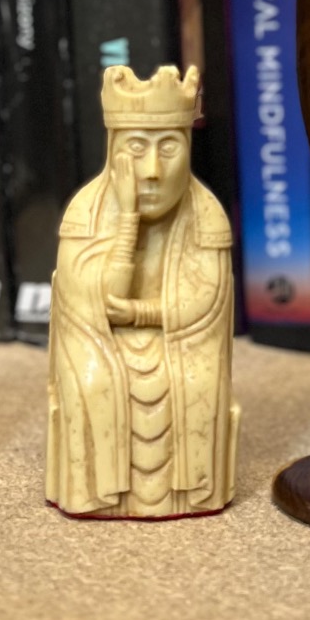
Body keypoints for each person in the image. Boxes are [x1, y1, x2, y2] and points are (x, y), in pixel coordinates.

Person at [46, 65, 239, 518]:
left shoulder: (206, 214)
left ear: (188, 148)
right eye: (136, 148)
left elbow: (206, 303)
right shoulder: (86, 210)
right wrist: (128, 221)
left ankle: (192, 491)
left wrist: (142, 315)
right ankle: (96, 494)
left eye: (168, 148)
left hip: (182, 341)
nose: (151, 171)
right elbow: (93, 302)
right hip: (98, 341)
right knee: (90, 383)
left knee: (198, 382)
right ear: (112, 151)